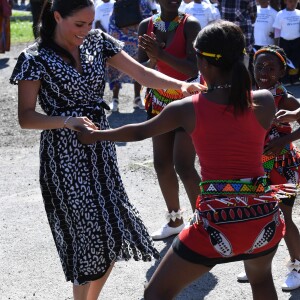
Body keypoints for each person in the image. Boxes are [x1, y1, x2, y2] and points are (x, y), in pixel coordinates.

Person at [77, 20, 296, 299]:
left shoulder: (186, 108)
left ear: (202, 63)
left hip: (216, 223)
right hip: (264, 219)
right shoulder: (264, 100)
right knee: (262, 281)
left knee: (156, 294)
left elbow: (138, 131)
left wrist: (94, 135)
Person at [9, 0, 203, 299]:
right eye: (79, 25)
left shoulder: (98, 42)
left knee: (112, 234)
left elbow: (143, 75)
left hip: (101, 149)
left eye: (90, 23)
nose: (86, 30)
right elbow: (26, 117)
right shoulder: (34, 57)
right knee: (87, 241)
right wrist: (67, 121)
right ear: (57, 16)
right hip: (63, 158)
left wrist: (182, 86)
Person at [236, 45, 300, 291]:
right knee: (253, 214)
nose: (264, 72)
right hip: (254, 166)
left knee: (284, 216)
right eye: (259, 66)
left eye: (271, 68)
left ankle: (297, 265)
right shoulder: (248, 94)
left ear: (282, 71)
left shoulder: (286, 98)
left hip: (282, 167)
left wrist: (284, 140)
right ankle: (256, 265)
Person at [137, 0, 201, 240]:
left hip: (186, 102)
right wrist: (153, 60)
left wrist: (160, 54)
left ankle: (202, 221)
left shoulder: (190, 25)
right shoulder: (146, 26)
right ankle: (175, 220)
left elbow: (191, 69)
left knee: (184, 165)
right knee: (161, 163)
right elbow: (140, 68)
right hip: (158, 101)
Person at [107, 0, 157, 112]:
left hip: (135, 40)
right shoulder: (119, 2)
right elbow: (113, 21)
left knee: (138, 67)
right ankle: (115, 99)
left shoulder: (143, 2)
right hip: (121, 39)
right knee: (116, 68)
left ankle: (137, 98)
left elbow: (149, 20)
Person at [273, 0, 300, 85]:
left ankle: (295, 78)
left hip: (297, 40)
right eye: (290, 2)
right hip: (284, 41)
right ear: (285, 2)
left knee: (295, 60)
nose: (293, 4)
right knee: (284, 60)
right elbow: (277, 30)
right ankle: (285, 80)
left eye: (295, 2)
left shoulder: (299, 13)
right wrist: (276, 44)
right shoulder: (280, 14)